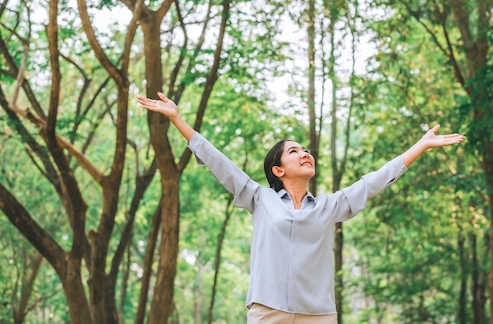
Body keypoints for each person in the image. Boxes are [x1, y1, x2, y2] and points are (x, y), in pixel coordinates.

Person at [137, 92, 465, 324]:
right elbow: (218, 162)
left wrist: (419, 146)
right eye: (294, 151)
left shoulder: (328, 206)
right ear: (278, 170)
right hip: (268, 311)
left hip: (318, 315)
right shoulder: (259, 198)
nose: (305, 153)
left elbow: (373, 182)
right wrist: (177, 119)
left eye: (306, 149)